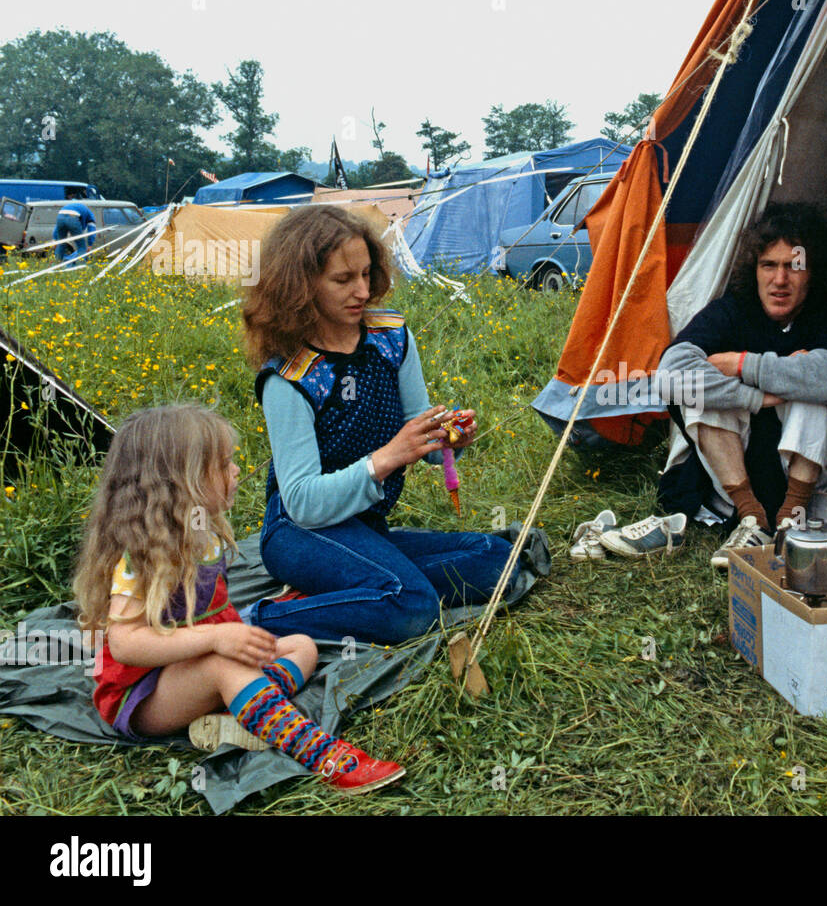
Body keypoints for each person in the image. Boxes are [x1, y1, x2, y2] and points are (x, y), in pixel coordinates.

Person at [74, 404, 405, 795]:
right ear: (185, 481)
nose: (235, 471)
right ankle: (322, 754)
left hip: (197, 665)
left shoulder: (205, 536)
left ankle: (247, 709)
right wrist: (218, 640)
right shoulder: (141, 556)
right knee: (222, 666)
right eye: (224, 464)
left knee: (300, 646)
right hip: (144, 694)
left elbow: (213, 612)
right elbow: (125, 644)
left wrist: (232, 639)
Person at [241, 205, 519, 645]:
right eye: (343, 279)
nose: (361, 291)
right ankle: (254, 623)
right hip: (298, 532)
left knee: (498, 559)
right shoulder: (290, 377)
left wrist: (449, 438)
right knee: (413, 607)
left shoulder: (391, 338)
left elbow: (419, 430)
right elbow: (302, 503)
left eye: (367, 274)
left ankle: (362, 588)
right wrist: (389, 457)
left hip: (363, 526)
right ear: (301, 286)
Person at [655, 202, 827, 567]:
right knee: (700, 395)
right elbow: (670, 376)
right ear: (756, 269)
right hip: (740, 479)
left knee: (815, 394)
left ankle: (792, 520)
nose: (780, 280)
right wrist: (756, 396)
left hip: (816, 480)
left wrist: (743, 363)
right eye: (769, 265)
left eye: (794, 266)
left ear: (811, 273)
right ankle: (751, 520)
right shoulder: (733, 310)